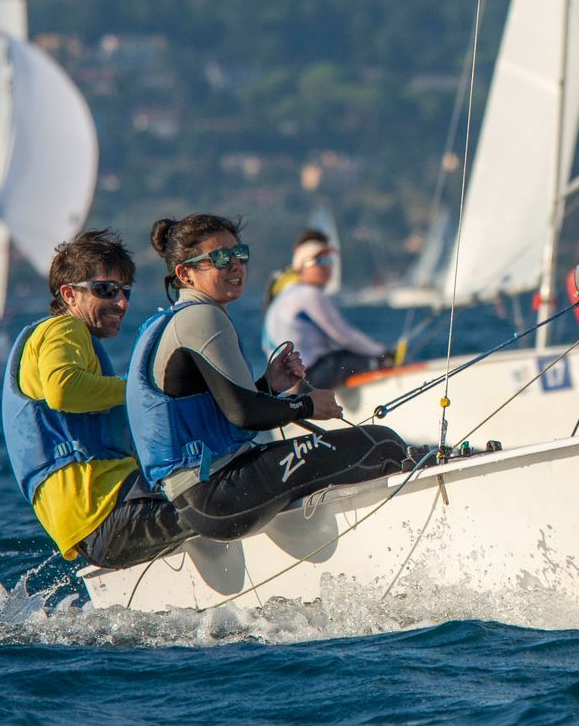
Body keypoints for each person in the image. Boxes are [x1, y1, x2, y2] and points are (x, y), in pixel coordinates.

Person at [128, 213, 409, 542]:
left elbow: (224, 409)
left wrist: (268, 386)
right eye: (220, 258)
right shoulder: (202, 317)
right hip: (218, 495)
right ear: (185, 274)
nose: (235, 265)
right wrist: (306, 405)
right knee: (384, 444)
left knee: (344, 451)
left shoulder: (170, 321)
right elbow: (244, 415)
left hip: (198, 500)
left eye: (239, 254)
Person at [1, 229, 191, 570]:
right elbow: (63, 390)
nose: (122, 303)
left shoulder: (67, 340)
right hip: (106, 509)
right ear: (69, 294)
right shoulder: (63, 329)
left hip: (92, 528)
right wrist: (139, 387)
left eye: (125, 291)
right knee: (224, 499)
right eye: (106, 290)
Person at [261, 229, 391, 387]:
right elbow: (344, 336)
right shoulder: (309, 294)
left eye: (329, 261)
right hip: (309, 378)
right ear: (302, 265)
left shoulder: (285, 293)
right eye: (320, 261)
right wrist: (383, 353)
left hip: (292, 382)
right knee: (376, 359)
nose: (328, 267)